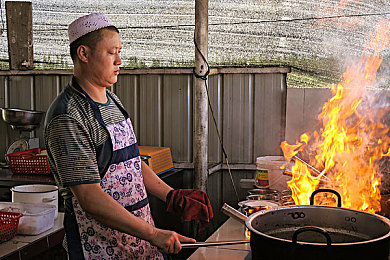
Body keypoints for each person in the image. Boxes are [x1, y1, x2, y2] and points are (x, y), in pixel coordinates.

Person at [44, 13, 213, 259]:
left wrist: (171, 195)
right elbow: (90, 198)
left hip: (139, 242)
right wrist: (154, 234)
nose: (119, 61)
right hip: (99, 248)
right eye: (111, 52)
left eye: (119, 51)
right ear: (84, 54)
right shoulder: (68, 117)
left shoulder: (112, 100)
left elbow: (131, 163)